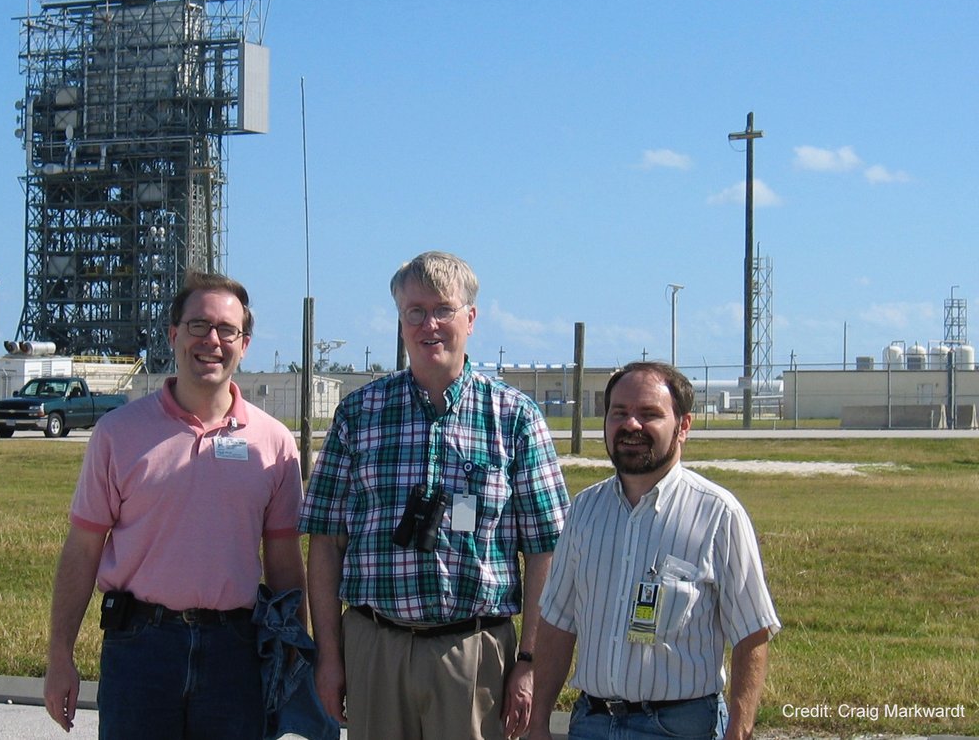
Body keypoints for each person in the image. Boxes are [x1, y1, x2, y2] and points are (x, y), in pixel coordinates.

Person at [300, 250, 570, 740]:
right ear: (400, 321)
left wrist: (529, 661)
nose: (430, 325)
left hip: (475, 654)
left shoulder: (514, 418)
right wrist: (330, 656)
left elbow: (546, 551)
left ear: (471, 318)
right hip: (375, 647)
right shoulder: (358, 415)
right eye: (415, 312)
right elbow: (325, 542)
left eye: (444, 309)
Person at [43, 272, 307, 738]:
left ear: (244, 345)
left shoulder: (275, 443)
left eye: (227, 330)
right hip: (141, 648)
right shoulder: (118, 433)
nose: (212, 341)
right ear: (173, 335)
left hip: (235, 653)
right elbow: (83, 548)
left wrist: (300, 654)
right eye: (198, 325)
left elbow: (285, 561)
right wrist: (59, 655)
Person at [528, 361, 781, 740]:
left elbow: (751, 631)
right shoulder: (584, 510)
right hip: (592, 723)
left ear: (683, 426)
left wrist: (739, 731)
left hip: (680, 727)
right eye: (619, 413)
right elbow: (557, 622)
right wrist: (538, 722)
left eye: (649, 414)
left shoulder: (717, 514)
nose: (631, 425)